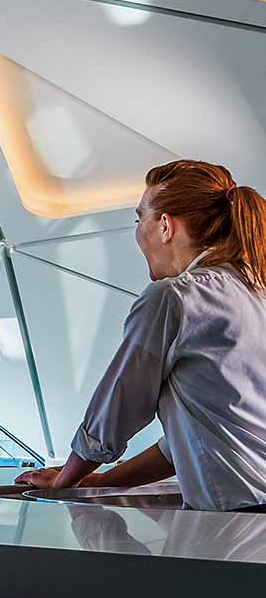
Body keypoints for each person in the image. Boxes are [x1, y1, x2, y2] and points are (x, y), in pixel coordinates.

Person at [15, 160, 266, 510]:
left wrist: (65, 480)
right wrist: (102, 480)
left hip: (238, 520)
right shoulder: (255, 294)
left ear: (165, 226)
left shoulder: (175, 297)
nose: (138, 232)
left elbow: (115, 410)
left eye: (139, 219)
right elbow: (192, 439)